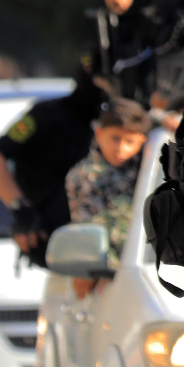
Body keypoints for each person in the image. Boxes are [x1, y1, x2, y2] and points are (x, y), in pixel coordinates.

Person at [0, 69, 110, 267]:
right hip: (55, 249)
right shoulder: (48, 115)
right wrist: (21, 209)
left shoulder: (115, 119)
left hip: (103, 250)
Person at [64, 98, 152, 296]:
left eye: (130, 142)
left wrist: (164, 120)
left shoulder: (147, 163)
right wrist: (103, 269)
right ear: (99, 134)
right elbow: (90, 230)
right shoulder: (86, 177)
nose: (121, 148)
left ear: (142, 141)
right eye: (115, 138)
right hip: (115, 274)